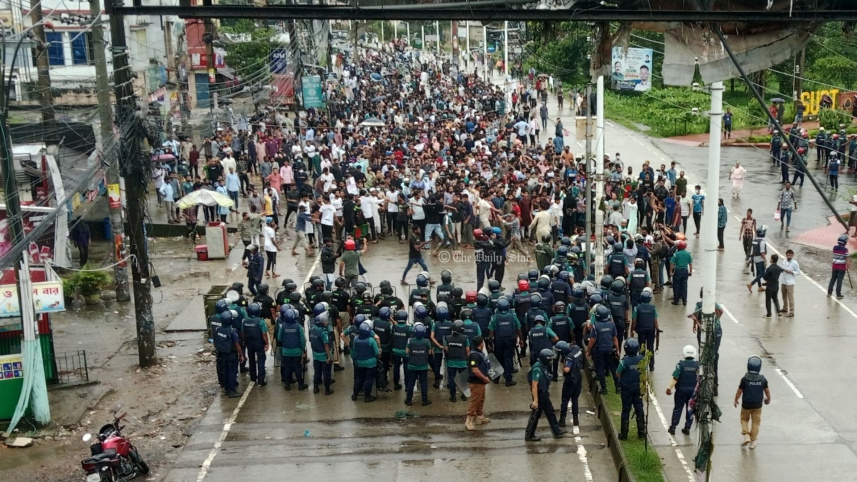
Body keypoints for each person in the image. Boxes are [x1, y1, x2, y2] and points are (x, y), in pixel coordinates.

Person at [525, 348, 566, 441]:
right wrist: (535, 401)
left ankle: (556, 431)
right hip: (540, 394)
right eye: (549, 359)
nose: (551, 361)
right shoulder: (537, 369)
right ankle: (529, 434)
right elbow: (534, 385)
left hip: (544, 393)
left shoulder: (543, 366)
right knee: (536, 415)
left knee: (550, 412)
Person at [734, 356, 771, 449]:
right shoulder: (762, 379)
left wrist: (736, 399)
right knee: (756, 423)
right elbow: (767, 391)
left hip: (746, 404)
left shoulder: (745, 379)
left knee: (744, 419)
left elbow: (739, 391)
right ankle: (753, 441)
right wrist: (768, 399)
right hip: (758, 405)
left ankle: (746, 435)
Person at [488, 297, 522, 387]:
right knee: (508, 359)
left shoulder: (494, 317)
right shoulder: (513, 316)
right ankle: (508, 379)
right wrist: (521, 340)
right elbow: (518, 328)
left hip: (498, 341)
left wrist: (490, 342)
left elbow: (491, 331)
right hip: (510, 341)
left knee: (498, 359)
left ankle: (496, 378)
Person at [616, 338, 646, 440]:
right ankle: (641, 433)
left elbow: (618, 373)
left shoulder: (624, 362)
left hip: (626, 389)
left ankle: (624, 434)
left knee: (626, 410)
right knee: (639, 409)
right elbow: (644, 372)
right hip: (638, 388)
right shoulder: (641, 359)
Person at [587, 305, 620, 393]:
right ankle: (618, 387)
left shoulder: (595, 326)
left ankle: (604, 389)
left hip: (600, 350)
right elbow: (615, 339)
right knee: (613, 368)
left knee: (600, 368)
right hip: (610, 349)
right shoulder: (612, 324)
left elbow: (592, 340)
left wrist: (588, 351)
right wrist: (617, 350)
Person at [666, 345, 698, 435]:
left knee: (678, 408)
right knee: (690, 410)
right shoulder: (698, 365)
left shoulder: (680, 365)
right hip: (693, 392)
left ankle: (673, 427)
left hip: (680, 391)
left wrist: (669, 388)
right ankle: (687, 428)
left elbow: (675, 378)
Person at [214, 310, 244, 398]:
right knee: (232, 372)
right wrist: (241, 355)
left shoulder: (217, 329)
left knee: (226, 370)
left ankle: (227, 389)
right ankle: (232, 390)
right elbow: (237, 345)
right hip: (231, 354)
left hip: (223, 353)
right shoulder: (232, 332)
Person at [465, 336, 493, 431]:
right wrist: (485, 378)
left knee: (481, 399)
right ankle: (469, 421)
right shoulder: (475, 355)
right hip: (476, 382)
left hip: (480, 382)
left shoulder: (479, 353)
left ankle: (480, 417)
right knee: (475, 401)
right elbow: (475, 370)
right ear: (481, 343)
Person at [555, 340, 584, 431]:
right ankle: (576, 419)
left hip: (570, 380)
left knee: (565, 399)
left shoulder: (569, 357)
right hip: (578, 378)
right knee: (575, 399)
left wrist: (563, 368)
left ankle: (562, 420)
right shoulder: (577, 348)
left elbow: (567, 369)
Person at [278, 307, 308, 391]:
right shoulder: (298, 326)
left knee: (287, 367)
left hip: (286, 351)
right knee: (298, 367)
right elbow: (302, 339)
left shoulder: (282, 326)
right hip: (297, 351)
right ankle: (300, 384)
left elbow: (279, 338)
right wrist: (303, 350)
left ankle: (287, 385)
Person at [241, 303, 270, 386]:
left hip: (249, 343)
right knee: (261, 360)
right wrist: (266, 343)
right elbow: (264, 334)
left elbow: (243, 332)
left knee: (251, 360)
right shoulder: (260, 321)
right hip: (259, 343)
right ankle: (261, 380)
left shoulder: (244, 321)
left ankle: (253, 377)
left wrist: (244, 341)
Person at [352, 322, 380, 403]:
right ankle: (367, 397)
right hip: (370, 364)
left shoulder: (355, 339)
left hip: (359, 363)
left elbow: (354, 351)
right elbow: (377, 353)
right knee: (368, 380)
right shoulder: (371, 340)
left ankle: (355, 395)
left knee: (359, 378)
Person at [405, 322, 432, 406]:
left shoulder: (410, 341)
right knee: (423, 383)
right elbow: (430, 352)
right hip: (423, 366)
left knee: (411, 383)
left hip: (412, 366)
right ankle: (424, 401)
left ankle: (409, 400)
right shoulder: (427, 342)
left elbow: (407, 351)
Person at [444, 320, 471, 403]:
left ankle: (453, 396)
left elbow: (446, 349)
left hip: (451, 362)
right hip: (462, 363)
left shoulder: (448, 338)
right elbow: (468, 350)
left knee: (452, 379)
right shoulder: (465, 338)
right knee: (463, 379)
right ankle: (464, 395)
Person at [309, 313, 334, 395]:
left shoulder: (312, 329)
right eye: (326, 321)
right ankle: (327, 389)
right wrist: (328, 356)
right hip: (323, 355)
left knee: (317, 372)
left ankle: (315, 387)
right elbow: (326, 345)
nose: (327, 322)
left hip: (316, 354)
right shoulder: (323, 333)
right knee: (326, 373)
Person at [670, 240, 692, 305]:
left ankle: (676, 301)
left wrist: (671, 272)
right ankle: (684, 301)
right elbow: (690, 264)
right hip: (685, 271)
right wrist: (690, 271)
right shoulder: (688, 254)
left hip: (678, 271)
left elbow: (672, 263)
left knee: (676, 286)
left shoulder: (676, 254)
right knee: (684, 286)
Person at [828, 234, 850, 299]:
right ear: (845, 242)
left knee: (833, 279)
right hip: (841, 268)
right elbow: (847, 260)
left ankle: (829, 292)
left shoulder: (835, 248)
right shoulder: (845, 250)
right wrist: (848, 268)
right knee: (839, 281)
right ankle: (838, 294)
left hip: (834, 266)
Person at [747, 226, 768, 293]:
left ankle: (760, 287)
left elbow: (753, 251)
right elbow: (762, 252)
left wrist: (751, 259)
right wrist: (765, 259)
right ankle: (751, 284)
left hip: (755, 259)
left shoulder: (754, 241)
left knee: (758, 273)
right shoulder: (762, 242)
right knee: (762, 273)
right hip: (760, 259)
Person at [780, 249, 799, 317]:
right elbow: (782, 267)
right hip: (784, 281)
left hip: (790, 282)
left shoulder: (794, 263)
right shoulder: (784, 261)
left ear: (792, 255)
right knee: (784, 296)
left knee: (790, 297)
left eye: (790, 255)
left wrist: (791, 272)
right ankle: (785, 308)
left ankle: (791, 311)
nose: (789, 257)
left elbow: (798, 272)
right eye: (788, 255)